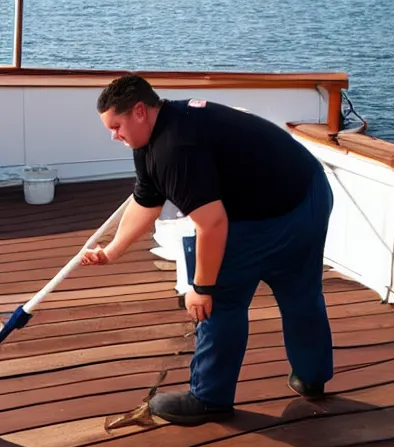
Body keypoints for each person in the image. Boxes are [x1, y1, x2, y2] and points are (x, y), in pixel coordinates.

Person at [82, 73, 334, 426]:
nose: (114, 135)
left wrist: (201, 288)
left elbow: (212, 225)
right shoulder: (154, 136)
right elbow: (146, 202)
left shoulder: (174, 148)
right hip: (308, 189)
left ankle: (210, 397)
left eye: (117, 126)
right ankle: (312, 376)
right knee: (300, 292)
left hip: (288, 206)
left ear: (139, 111)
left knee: (222, 300)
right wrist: (111, 251)